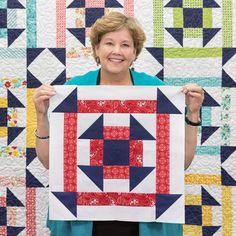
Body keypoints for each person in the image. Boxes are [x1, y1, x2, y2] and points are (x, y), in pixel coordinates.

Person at [33, 11, 204, 236]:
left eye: (125, 44)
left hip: (145, 217)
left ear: (135, 52)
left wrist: (192, 115)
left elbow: (179, 163)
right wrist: (41, 116)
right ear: (96, 48)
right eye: (109, 43)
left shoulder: (156, 92)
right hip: (85, 217)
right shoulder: (73, 92)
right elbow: (49, 163)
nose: (116, 51)